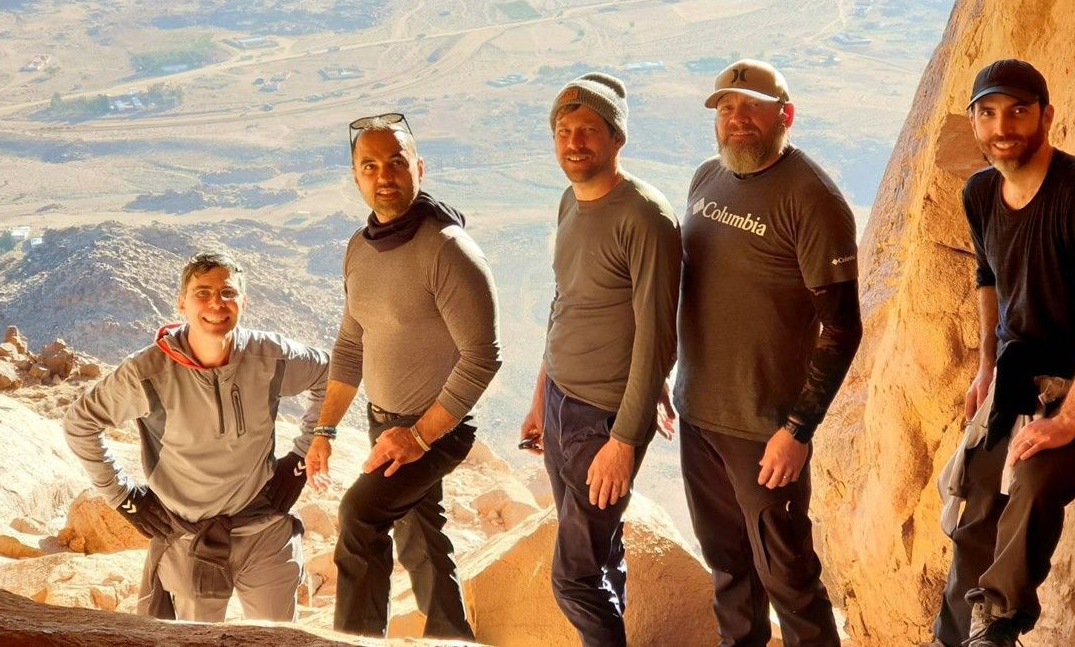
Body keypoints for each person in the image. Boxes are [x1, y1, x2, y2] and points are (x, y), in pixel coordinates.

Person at [926, 59, 1075, 647]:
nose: (1003, 126)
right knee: (977, 495)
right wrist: (985, 367)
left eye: (1019, 111)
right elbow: (987, 276)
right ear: (974, 123)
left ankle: (997, 627)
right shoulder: (980, 192)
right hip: (1022, 376)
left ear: (1046, 116)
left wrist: (1070, 420)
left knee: (1032, 480)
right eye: (988, 113)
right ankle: (953, 637)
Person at [674, 58, 862, 647]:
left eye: (752, 106)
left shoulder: (813, 199)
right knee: (729, 569)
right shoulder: (706, 179)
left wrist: (798, 428)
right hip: (699, 414)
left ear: (786, 114)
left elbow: (842, 329)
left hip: (764, 430)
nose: (738, 119)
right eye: (727, 108)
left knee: (790, 579)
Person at [304, 113, 501, 639]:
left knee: (360, 517)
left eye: (396, 161)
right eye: (369, 165)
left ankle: (354, 640)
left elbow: (482, 357)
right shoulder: (358, 248)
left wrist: (417, 437)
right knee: (421, 537)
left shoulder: (448, 248)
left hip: (436, 429)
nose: (384, 174)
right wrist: (324, 430)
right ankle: (452, 637)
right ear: (355, 177)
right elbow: (351, 345)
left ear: (419, 166)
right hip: (382, 422)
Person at [64, 251, 329, 622]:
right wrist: (123, 497)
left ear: (243, 301)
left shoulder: (269, 356)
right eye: (202, 293)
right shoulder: (148, 372)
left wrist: (301, 457)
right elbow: (80, 423)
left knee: (278, 638)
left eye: (228, 293)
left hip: (266, 529)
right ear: (182, 303)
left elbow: (330, 377)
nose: (216, 304)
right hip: (190, 539)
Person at [519, 73, 681, 647]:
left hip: (603, 419)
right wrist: (541, 394)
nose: (574, 142)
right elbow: (566, 302)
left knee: (574, 578)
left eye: (589, 129)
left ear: (617, 139)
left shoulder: (645, 218)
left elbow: (658, 341)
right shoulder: (570, 201)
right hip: (563, 402)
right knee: (600, 554)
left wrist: (624, 440)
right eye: (564, 130)